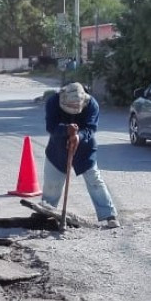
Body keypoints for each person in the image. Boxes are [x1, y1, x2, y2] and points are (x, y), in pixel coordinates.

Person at [42, 82, 120, 228]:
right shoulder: (53, 102)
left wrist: (78, 136)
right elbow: (50, 127)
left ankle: (109, 214)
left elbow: (91, 128)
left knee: (95, 181)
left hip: (84, 148)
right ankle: (46, 214)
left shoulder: (92, 104)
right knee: (51, 184)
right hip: (57, 147)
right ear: (62, 98)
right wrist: (66, 130)